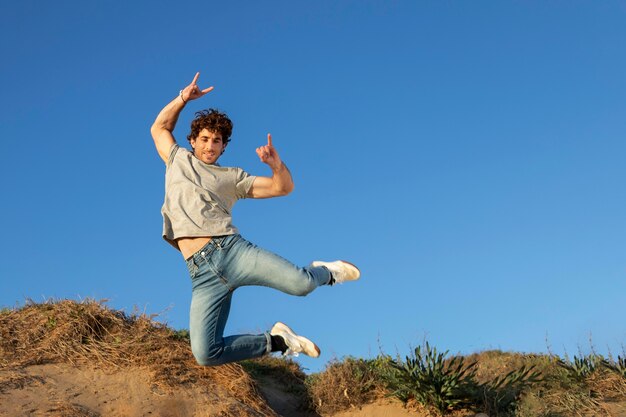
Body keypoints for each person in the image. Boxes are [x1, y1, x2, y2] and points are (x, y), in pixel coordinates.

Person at [150, 72, 360, 366]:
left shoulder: (232, 177)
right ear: (193, 141)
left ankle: (328, 272)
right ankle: (279, 341)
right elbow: (159, 127)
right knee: (205, 353)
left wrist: (277, 166)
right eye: (205, 139)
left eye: (217, 141)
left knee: (301, 284)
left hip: (232, 252)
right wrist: (183, 98)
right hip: (202, 274)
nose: (210, 146)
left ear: (224, 146)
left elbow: (282, 187)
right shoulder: (177, 159)